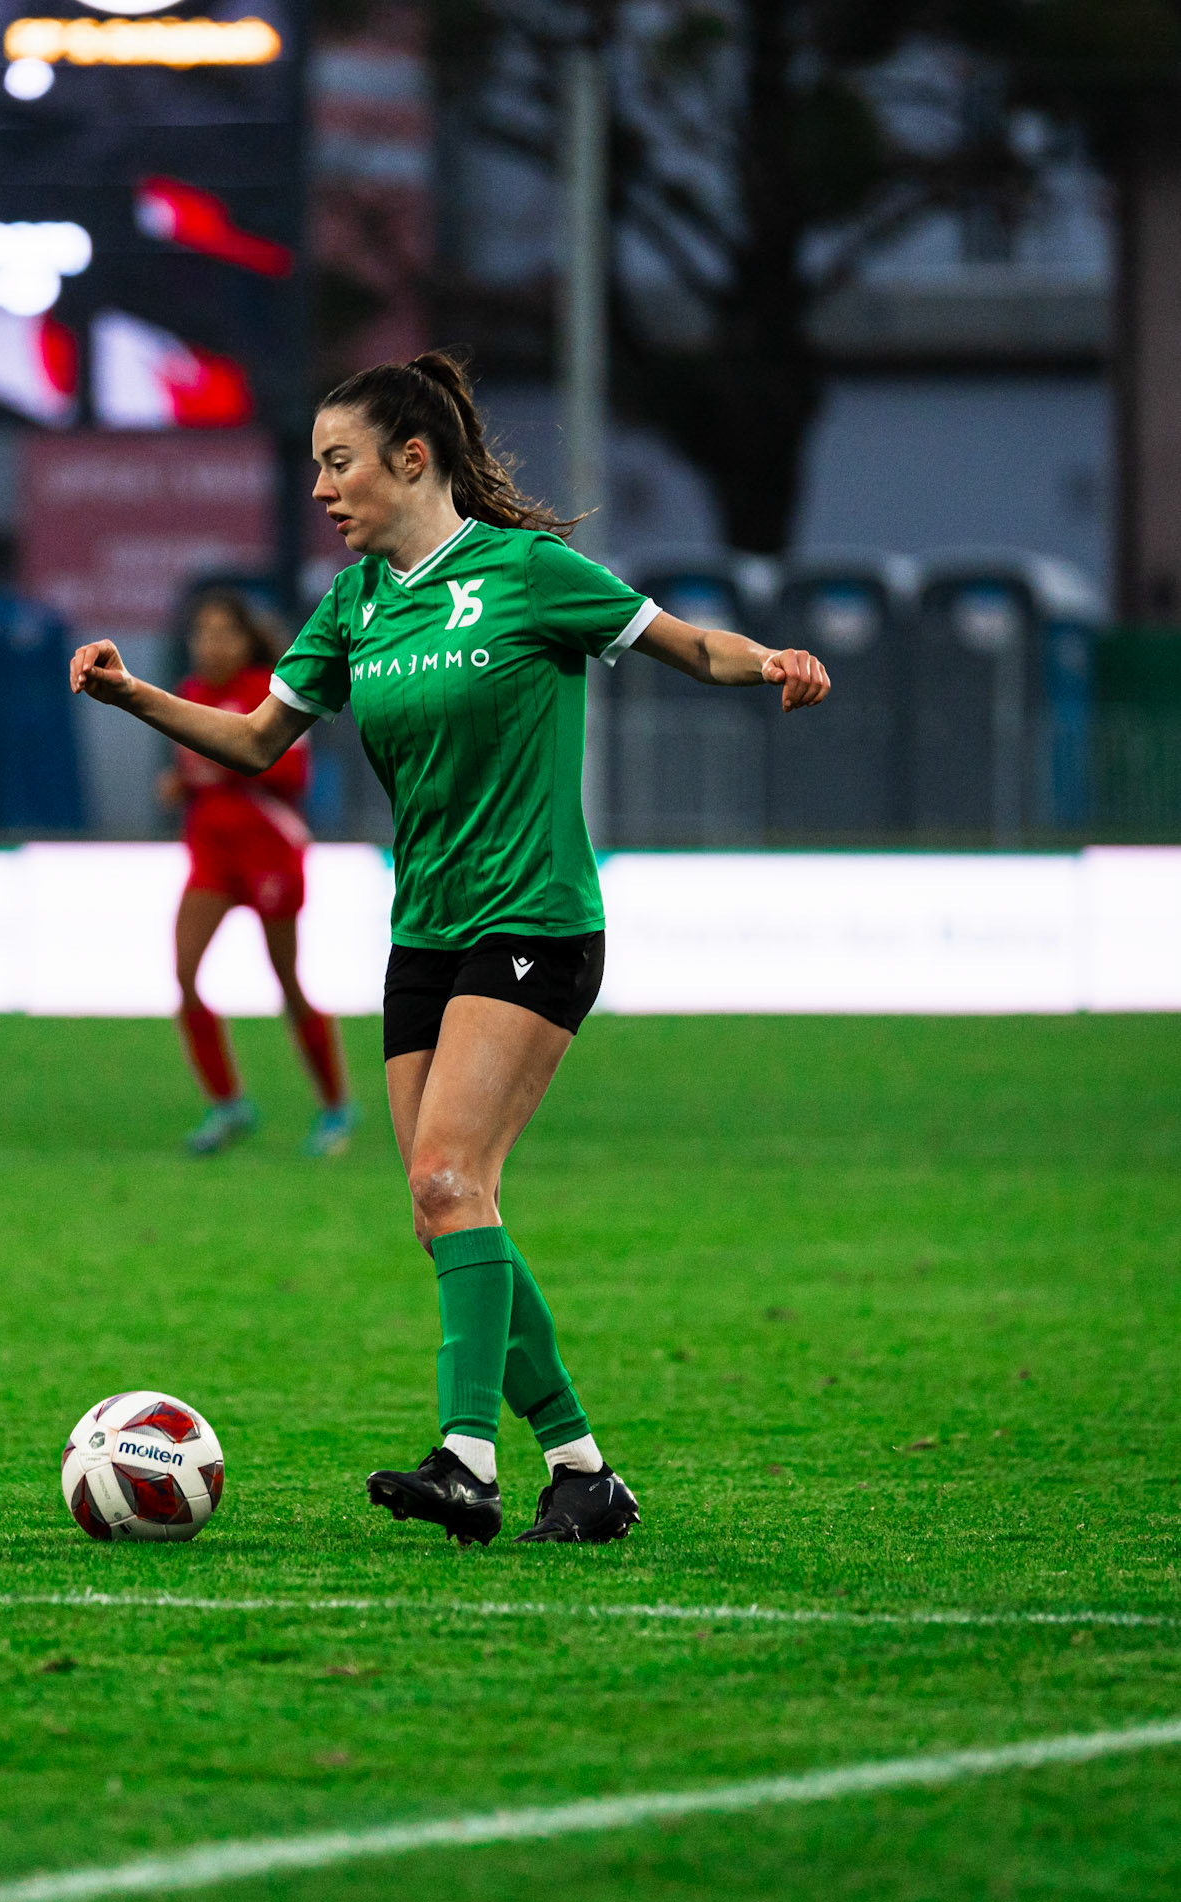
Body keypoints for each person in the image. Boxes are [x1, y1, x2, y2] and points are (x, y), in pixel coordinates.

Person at [71, 350, 830, 1545]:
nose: (321, 488)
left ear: (412, 458)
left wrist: (769, 661)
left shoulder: (527, 572)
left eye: (339, 463)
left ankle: (466, 1459)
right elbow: (259, 737)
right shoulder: (354, 605)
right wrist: (135, 697)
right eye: (317, 466)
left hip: (534, 921)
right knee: (449, 1204)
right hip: (423, 934)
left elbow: (686, 643)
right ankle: (583, 1471)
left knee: (445, 1177)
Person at [160, 586, 357, 1158]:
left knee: (286, 982)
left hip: (268, 851)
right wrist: (182, 784)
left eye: (224, 633)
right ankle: (228, 1104)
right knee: (185, 973)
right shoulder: (193, 693)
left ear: (248, 641)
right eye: (202, 633)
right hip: (213, 853)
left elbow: (293, 772)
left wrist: (224, 763)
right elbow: (196, 774)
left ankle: (335, 1106)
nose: (211, 644)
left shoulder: (269, 691)